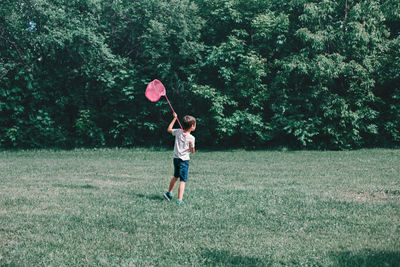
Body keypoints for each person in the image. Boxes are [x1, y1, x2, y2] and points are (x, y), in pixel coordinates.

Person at [163, 112, 196, 204]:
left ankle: (169, 193)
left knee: (175, 176)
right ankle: (179, 200)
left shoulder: (178, 131)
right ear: (192, 126)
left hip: (176, 159)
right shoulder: (191, 138)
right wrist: (191, 148)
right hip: (184, 160)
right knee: (183, 180)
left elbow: (169, 129)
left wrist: (174, 118)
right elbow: (192, 151)